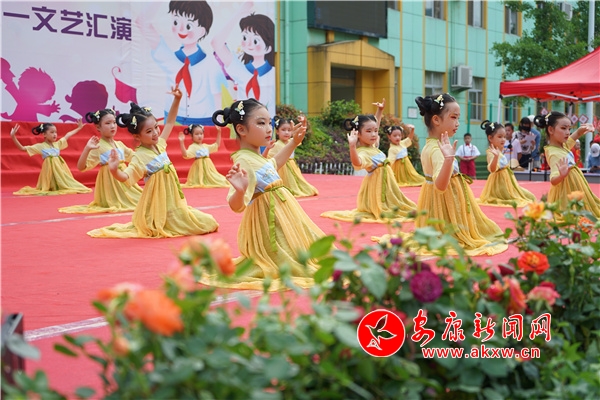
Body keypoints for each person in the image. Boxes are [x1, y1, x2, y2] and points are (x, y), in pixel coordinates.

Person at [200, 98, 328, 291]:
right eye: (261, 123)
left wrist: (294, 142)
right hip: (270, 223)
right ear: (241, 129)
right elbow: (236, 206)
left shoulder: (255, 157)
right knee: (292, 263)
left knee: (301, 254)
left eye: (270, 123)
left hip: (282, 217)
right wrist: (240, 190)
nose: (269, 129)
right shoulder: (243, 161)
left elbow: (273, 164)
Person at [87, 87, 219, 238]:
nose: (155, 133)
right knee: (204, 224)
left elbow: (170, 122)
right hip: (157, 206)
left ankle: (175, 215)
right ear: (137, 137)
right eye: (149, 131)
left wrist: (177, 100)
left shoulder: (160, 144)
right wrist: (114, 170)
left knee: (209, 222)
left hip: (173, 204)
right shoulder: (140, 156)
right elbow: (126, 177)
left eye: (156, 127)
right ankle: (163, 219)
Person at [412, 93, 507, 256]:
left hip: (436, 199)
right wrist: (449, 159)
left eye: (458, 118)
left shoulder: (432, 145)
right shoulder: (437, 149)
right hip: (445, 199)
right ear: (436, 120)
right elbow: (440, 186)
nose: (457, 123)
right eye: (453, 117)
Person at [321, 99, 416, 223]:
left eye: (375, 131)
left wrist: (380, 111)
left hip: (387, 182)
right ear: (358, 134)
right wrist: (352, 147)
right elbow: (357, 163)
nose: (374, 134)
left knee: (400, 206)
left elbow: (376, 123)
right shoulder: (363, 152)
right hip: (377, 186)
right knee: (388, 210)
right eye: (368, 131)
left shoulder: (372, 146)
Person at [137, 0, 224, 125]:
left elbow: (217, 96)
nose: (181, 29)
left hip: (204, 122)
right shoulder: (169, 57)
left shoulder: (210, 64)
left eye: (189, 26)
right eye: (176, 22)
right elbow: (142, 22)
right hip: (173, 121)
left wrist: (219, 124)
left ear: (202, 31)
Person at [59, 109, 143, 213]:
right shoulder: (98, 146)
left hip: (124, 177)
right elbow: (81, 167)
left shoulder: (120, 144)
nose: (112, 126)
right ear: (98, 127)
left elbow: (134, 156)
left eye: (114, 122)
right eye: (108, 123)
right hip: (110, 181)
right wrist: (87, 149)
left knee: (142, 198)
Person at [211, 4, 275, 114]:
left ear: (269, 47)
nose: (249, 44)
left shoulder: (273, 73)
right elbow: (216, 43)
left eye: (255, 41)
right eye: (245, 37)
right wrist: (238, 14)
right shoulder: (240, 69)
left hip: (267, 121)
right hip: (244, 121)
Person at [536, 112, 599, 217]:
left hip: (573, 184)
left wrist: (581, 130)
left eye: (569, 129)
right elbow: (553, 180)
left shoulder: (562, 146)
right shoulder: (554, 153)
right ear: (551, 130)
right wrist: (561, 175)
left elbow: (574, 137)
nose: (568, 132)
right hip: (566, 188)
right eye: (563, 128)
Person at [10, 121, 92, 196]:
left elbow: (68, 135)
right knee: (49, 182)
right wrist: (13, 137)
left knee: (64, 181)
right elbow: (22, 148)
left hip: (60, 168)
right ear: (44, 134)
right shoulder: (41, 146)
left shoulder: (57, 144)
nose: (55, 134)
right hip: (48, 169)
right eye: (52, 132)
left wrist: (79, 128)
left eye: (56, 132)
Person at [477, 120, 536, 207]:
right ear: (490, 138)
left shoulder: (499, 149)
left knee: (531, 197)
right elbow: (492, 169)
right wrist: (496, 157)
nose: (503, 139)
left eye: (504, 137)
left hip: (508, 182)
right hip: (500, 184)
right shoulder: (491, 152)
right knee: (519, 200)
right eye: (500, 137)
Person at [262, 115, 318, 197]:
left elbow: (301, 133)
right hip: (282, 168)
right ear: (277, 131)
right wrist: (267, 149)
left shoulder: (292, 141)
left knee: (297, 183)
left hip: (292, 166)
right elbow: (266, 158)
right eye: (283, 130)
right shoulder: (276, 145)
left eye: (289, 130)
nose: (286, 132)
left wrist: (304, 123)